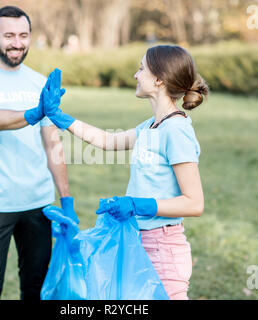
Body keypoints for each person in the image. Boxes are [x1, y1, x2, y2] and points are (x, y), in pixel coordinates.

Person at [43, 45, 208, 300]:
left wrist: (136, 204)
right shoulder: (153, 126)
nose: (135, 75)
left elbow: (194, 203)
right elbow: (109, 141)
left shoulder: (175, 131)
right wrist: (60, 116)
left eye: (141, 68)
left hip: (163, 251)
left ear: (159, 79)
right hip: (138, 243)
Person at [0, 6, 77, 300]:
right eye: (9, 35)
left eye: (23, 35)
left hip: (38, 204)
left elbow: (53, 145)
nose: (17, 42)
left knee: (37, 290)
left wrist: (66, 201)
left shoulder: (39, 83)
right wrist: (36, 111)